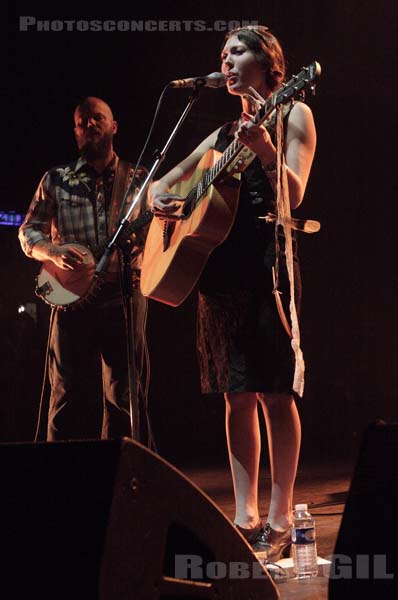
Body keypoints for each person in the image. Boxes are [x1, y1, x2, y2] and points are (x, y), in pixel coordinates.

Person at [150, 26, 317, 562]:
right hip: (218, 272)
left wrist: (267, 150)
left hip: (264, 265)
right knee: (235, 393)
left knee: (273, 392)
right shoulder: (223, 133)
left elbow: (294, 195)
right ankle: (244, 515)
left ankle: (281, 514)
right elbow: (165, 182)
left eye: (237, 51)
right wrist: (161, 198)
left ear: (270, 62)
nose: (225, 60)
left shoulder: (293, 114)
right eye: (222, 53)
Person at [19, 97, 148, 441]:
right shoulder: (56, 179)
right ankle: (58, 483)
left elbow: (159, 235)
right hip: (68, 296)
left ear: (113, 126)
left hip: (122, 295)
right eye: (82, 121)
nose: (89, 125)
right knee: (65, 395)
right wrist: (53, 251)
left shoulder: (137, 179)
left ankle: (118, 483)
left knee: (124, 398)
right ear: (75, 132)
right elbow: (28, 231)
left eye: (97, 118)